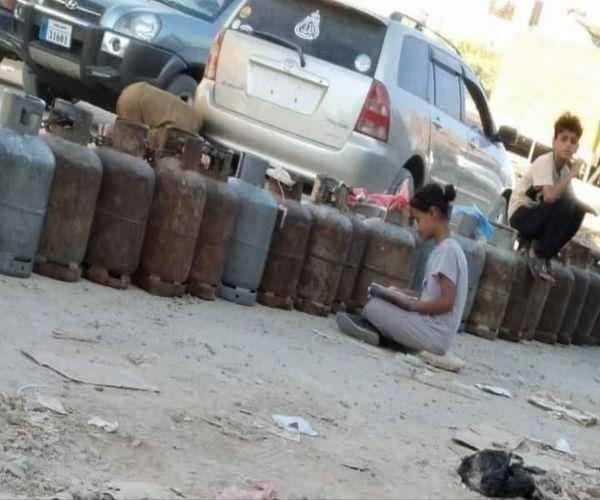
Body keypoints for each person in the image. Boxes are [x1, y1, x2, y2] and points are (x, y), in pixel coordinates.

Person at [336, 183, 468, 356]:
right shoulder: (449, 248)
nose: (416, 227)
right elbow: (431, 296)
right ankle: (391, 332)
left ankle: (386, 336)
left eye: (418, 220)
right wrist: (399, 294)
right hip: (432, 332)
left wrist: (411, 306)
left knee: (374, 307)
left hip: (434, 336)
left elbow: (446, 302)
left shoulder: (447, 250)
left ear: (433, 213)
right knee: (381, 300)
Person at [508, 113, 593, 278]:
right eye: (564, 139)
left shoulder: (564, 170)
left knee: (577, 210)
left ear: (577, 147)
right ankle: (536, 254)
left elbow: (572, 200)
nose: (568, 145)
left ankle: (545, 254)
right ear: (554, 142)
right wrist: (572, 174)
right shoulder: (545, 162)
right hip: (521, 216)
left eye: (573, 141)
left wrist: (585, 208)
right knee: (564, 205)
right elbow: (549, 197)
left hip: (537, 218)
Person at [116, 82, 203, 151]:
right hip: (134, 101)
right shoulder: (186, 129)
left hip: (136, 89)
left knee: (125, 135)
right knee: (129, 143)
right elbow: (158, 140)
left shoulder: (195, 116)